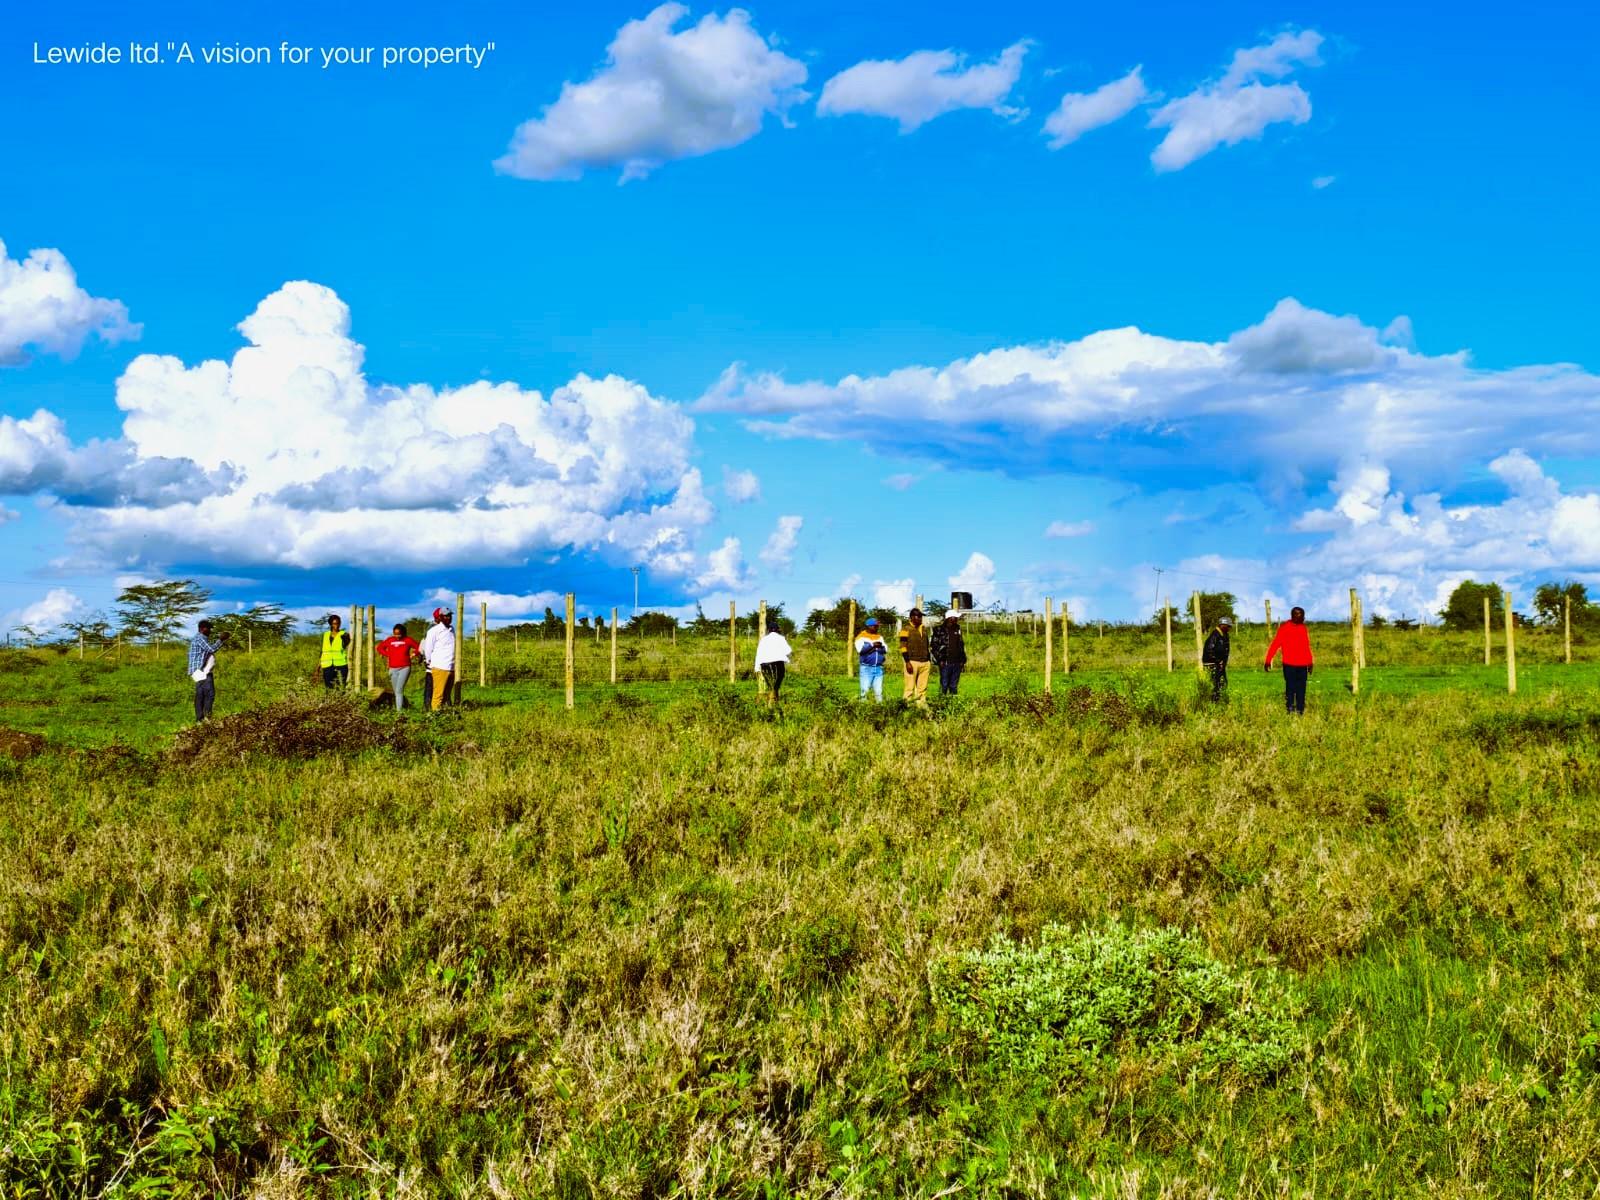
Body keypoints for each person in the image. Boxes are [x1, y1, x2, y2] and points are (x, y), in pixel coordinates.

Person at [1263, 606, 1314, 714]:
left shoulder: (1303, 628)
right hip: (1289, 664)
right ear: (1293, 615)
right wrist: (1268, 660)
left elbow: (1306, 646)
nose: (1302, 617)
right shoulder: (1285, 628)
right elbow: (1275, 644)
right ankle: (1289, 708)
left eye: (1303, 615)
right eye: (1299, 614)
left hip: (1302, 664)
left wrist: (1310, 662)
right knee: (1290, 687)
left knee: (1301, 688)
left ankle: (1300, 709)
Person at [376, 622, 421, 711]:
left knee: (399, 690)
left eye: (399, 634)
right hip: (392, 668)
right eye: (395, 634)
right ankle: (402, 706)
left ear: (403, 633)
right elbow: (379, 648)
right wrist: (388, 654)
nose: (397, 636)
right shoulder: (389, 640)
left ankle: (399, 713)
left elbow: (419, 647)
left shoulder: (408, 640)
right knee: (396, 691)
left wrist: (414, 654)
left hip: (405, 667)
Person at [187, 619, 226, 722]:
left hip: (202, 671)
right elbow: (211, 649)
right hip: (200, 671)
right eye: (208, 628)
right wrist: (221, 640)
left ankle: (201, 719)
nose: (209, 631)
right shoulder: (200, 638)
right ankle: (205, 718)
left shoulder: (201, 638)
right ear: (201, 629)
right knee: (208, 694)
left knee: (202, 694)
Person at [420, 607, 456, 712]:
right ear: (440, 617)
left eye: (450, 615)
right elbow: (428, 648)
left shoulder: (452, 629)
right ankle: (435, 717)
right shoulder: (434, 631)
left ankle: (445, 714)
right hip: (440, 666)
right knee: (438, 695)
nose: (448, 618)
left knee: (447, 694)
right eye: (445, 616)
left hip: (451, 666)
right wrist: (428, 661)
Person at [899, 606, 932, 707]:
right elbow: (903, 647)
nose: (920, 618)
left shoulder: (924, 629)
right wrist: (907, 662)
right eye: (918, 616)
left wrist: (928, 661)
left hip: (925, 662)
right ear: (912, 617)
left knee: (922, 688)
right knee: (909, 687)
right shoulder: (905, 629)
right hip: (912, 662)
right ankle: (906, 707)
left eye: (921, 616)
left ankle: (921, 706)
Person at [754, 619, 792, 706]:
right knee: (776, 685)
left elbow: (758, 654)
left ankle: (772, 702)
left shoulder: (763, 640)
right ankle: (772, 702)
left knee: (771, 685)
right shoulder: (781, 638)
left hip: (765, 665)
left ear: (769, 630)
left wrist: (756, 668)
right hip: (778, 664)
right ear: (778, 629)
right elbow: (788, 651)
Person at [931, 609, 967, 695]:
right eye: (955, 617)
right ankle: (942, 703)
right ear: (950, 618)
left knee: (954, 685)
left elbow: (961, 645)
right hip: (945, 662)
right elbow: (934, 646)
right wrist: (940, 660)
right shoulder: (939, 629)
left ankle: (953, 704)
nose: (957, 619)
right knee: (944, 684)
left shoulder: (958, 629)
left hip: (957, 663)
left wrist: (962, 660)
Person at [855, 617, 887, 702]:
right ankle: (864, 711)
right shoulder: (861, 637)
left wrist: (876, 647)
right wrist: (873, 645)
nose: (877, 627)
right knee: (865, 691)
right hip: (866, 668)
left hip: (878, 668)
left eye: (877, 626)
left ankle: (879, 711)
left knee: (879, 692)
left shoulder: (879, 637)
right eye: (875, 626)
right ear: (869, 626)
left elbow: (885, 649)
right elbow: (861, 650)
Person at [1202, 617, 1232, 702]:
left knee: (1222, 684)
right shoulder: (1215, 636)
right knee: (1214, 686)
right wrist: (1219, 661)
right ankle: (1213, 703)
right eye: (1228, 626)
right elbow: (1209, 651)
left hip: (1219, 665)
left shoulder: (1223, 635)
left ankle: (1219, 702)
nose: (1229, 628)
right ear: (1223, 625)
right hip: (1212, 665)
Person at [319, 614, 351, 689]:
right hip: (327, 665)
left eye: (338, 623)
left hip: (341, 665)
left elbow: (346, 644)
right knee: (328, 688)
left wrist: (346, 639)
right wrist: (318, 666)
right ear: (330, 624)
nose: (337, 625)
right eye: (334, 623)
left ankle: (342, 700)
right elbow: (323, 650)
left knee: (341, 687)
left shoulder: (344, 634)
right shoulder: (325, 635)